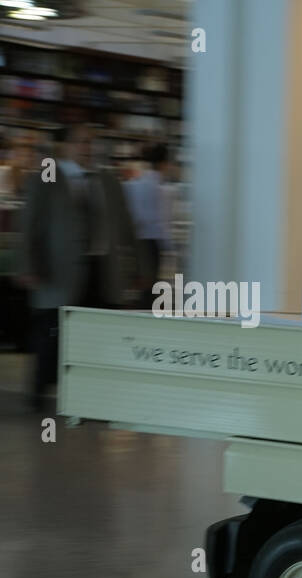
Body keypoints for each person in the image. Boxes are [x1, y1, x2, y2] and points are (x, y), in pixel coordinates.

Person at [18, 124, 139, 408]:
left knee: (97, 334)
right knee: (51, 335)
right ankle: (38, 392)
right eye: (82, 142)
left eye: (92, 143)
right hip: (58, 271)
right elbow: (29, 224)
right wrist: (27, 265)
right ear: (67, 146)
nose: (88, 148)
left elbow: (125, 227)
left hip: (100, 270)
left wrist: (136, 270)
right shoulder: (48, 176)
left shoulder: (107, 180)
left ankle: (90, 395)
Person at [125, 142, 171, 300]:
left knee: (143, 284)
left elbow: (133, 213)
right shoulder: (161, 188)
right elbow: (162, 219)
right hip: (154, 242)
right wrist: (168, 246)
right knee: (151, 287)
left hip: (139, 239)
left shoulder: (136, 183)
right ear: (164, 163)